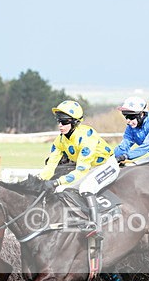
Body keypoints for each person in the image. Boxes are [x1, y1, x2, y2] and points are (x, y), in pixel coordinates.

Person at [39, 100, 119, 237]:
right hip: (90, 168)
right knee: (61, 190)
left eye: (64, 122)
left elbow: (81, 170)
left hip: (106, 165)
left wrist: (57, 181)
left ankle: (95, 224)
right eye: (58, 121)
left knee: (86, 188)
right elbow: (50, 166)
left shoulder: (87, 137)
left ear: (75, 122)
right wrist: (37, 181)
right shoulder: (60, 140)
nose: (60, 125)